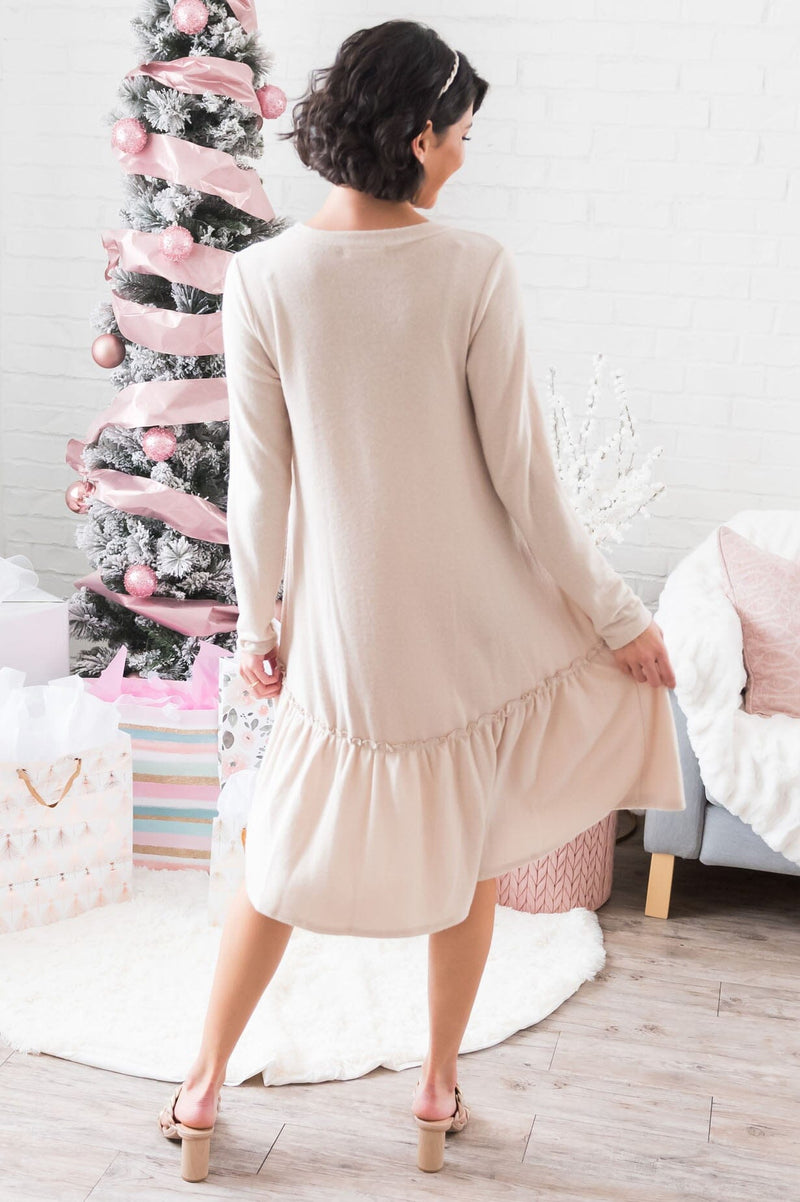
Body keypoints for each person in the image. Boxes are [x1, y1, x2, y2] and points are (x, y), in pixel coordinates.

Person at [157, 18, 685, 1181]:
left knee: (278, 857)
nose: (462, 156)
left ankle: (199, 1088)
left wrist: (261, 625)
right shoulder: (471, 266)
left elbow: (260, 482)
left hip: (341, 630)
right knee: (470, 843)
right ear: (416, 137)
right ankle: (436, 1088)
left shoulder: (263, 277)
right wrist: (617, 619)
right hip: (459, 620)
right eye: (460, 135)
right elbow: (524, 478)